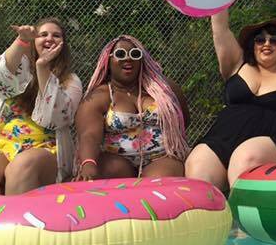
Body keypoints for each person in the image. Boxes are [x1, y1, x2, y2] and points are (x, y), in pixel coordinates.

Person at [184, 10, 276, 191]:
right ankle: (207, 209)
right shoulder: (237, 63)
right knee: (197, 163)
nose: (267, 44)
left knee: (245, 158)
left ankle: (239, 210)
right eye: (260, 40)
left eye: (274, 40)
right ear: (252, 44)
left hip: (272, 142)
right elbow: (220, 29)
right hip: (224, 136)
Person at [0, 19, 82, 194]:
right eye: (43, 34)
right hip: (4, 145)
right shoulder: (20, 72)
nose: (49, 38)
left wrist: (42, 67)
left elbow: (56, 118)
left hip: (46, 148)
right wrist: (21, 40)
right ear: (34, 41)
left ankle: (17, 214)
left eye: (56, 35)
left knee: (22, 166)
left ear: (63, 45)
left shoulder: (71, 80)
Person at [74, 36, 190, 180]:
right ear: (108, 61)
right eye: (120, 54)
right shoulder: (99, 96)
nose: (128, 58)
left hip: (161, 157)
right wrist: (88, 162)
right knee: (108, 172)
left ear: (142, 60)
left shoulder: (165, 90)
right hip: (116, 159)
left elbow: (183, 121)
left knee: (158, 180)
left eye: (135, 54)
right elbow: (89, 134)